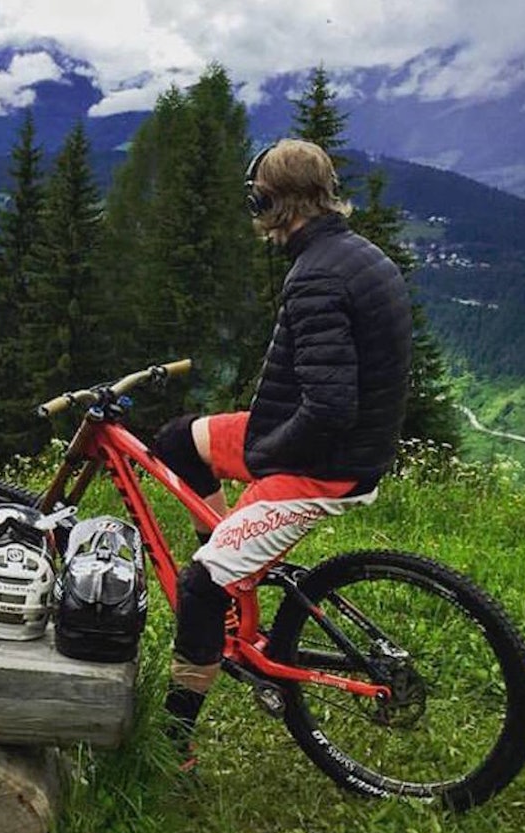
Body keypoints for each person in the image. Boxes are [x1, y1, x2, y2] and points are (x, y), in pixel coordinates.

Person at [151, 139, 413, 769]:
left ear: (266, 201)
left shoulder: (317, 274)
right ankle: (228, 552)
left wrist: (266, 457)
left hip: (324, 465)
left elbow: (328, 407)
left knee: (199, 587)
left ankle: (171, 747)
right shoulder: (354, 253)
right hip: (318, 439)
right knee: (175, 442)